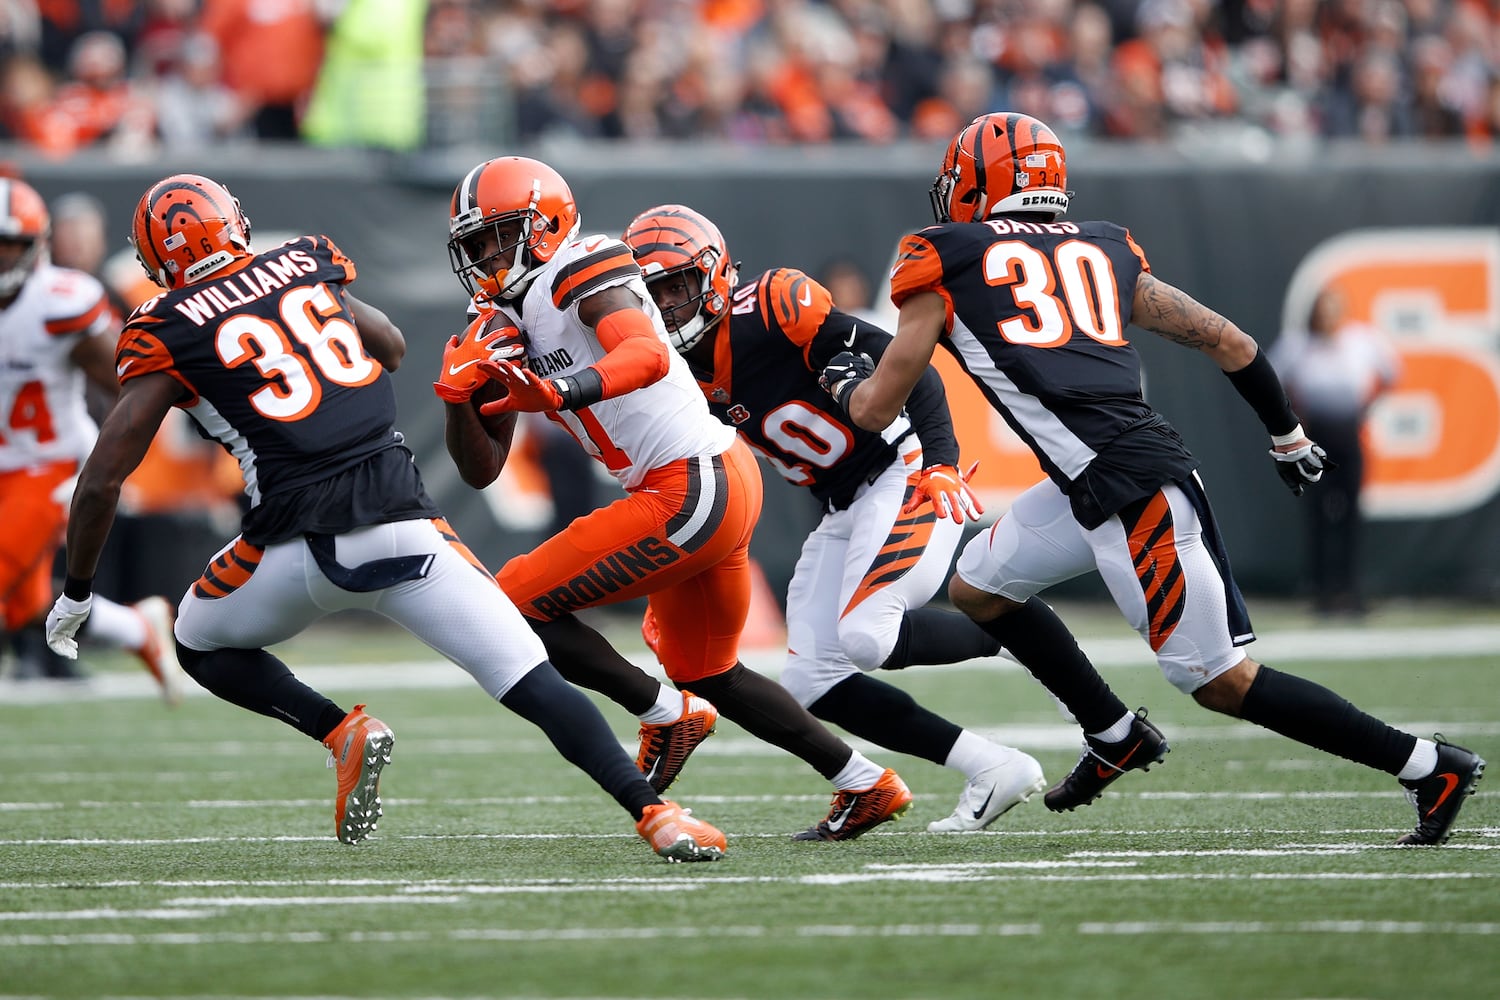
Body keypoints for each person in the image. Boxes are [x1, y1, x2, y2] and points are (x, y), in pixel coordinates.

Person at [819, 112, 1484, 847]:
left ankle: (1426, 765)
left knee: (1219, 680)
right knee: (979, 584)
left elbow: (879, 405)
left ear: (981, 183)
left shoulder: (941, 256)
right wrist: (1286, 434)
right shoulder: (1104, 248)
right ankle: (1112, 732)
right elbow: (1231, 342)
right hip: (1096, 479)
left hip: (1130, 490)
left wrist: (840, 384)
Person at [44, 173, 726, 862]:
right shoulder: (302, 262)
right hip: (405, 527)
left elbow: (102, 479)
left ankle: (339, 731)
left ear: (158, 258)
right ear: (235, 225)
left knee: (195, 640)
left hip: (294, 547)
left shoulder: (162, 324)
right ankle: (657, 817)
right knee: (533, 681)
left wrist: (77, 590)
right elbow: (392, 346)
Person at [438, 156, 911, 841]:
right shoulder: (498, 317)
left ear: (544, 226)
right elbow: (481, 470)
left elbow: (646, 355)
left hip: (691, 482)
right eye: (471, 247)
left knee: (509, 603)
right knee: (708, 669)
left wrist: (562, 391)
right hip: (698, 485)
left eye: (493, 238)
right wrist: (457, 397)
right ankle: (866, 783)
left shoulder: (581, 266)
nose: (482, 258)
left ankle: (663, 710)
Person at [622, 203, 1046, 833]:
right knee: (813, 678)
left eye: (677, 287)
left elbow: (914, 368)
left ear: (712, 276)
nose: (669, 307)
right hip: (843, 503)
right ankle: (992, 767)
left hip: (903, 472)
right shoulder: (664, 368)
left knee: (867, 637)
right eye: (653, 295)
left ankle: (1021, 634)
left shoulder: (773, 306)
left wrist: (942, 461)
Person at [0, 176, 182, 703]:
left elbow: (127, 379)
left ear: (35, 247)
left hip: (49, 465)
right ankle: (139, 630)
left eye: (7, 246)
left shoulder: (59, 302)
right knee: (24, 608)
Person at [1270, 287, 1400, 617]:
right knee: (1318, 512)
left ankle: (1350, 591)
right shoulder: (1297, 345)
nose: (1326, 317)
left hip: (1347, 432)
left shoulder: (1360, 340)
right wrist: (1293, 417)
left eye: (1331, 310)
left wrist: (1367, 406)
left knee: (1350, 512)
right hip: (1313, 437)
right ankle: (1322, 592)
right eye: (1321, 311)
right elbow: (1270, 379)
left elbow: (1391, 374)